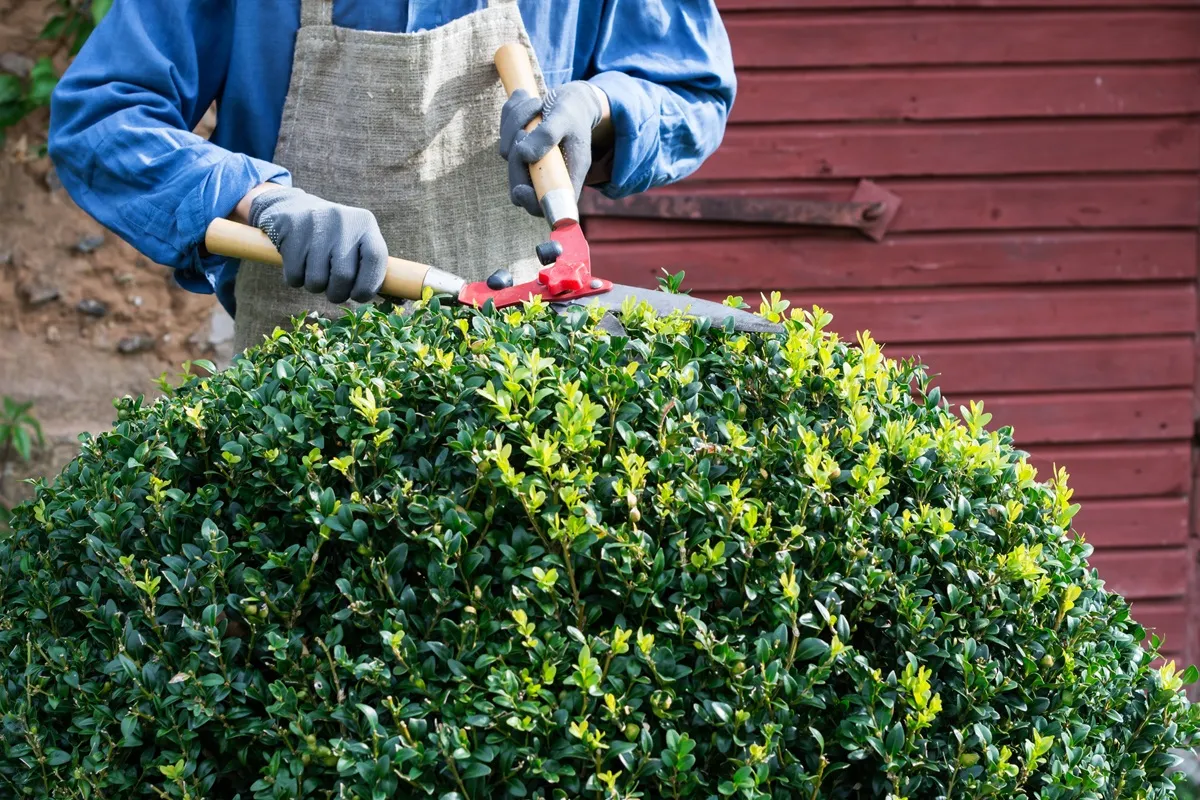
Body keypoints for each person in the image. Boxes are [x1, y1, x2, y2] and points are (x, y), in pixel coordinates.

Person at [47, 1, 736, 352]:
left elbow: (690, 90)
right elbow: (102, 115)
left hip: (525, 388)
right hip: (293, 411)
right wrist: (256, 199)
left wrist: (602, 109)